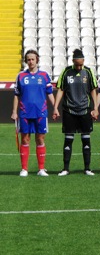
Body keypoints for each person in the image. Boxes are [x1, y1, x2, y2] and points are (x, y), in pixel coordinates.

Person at [52, 49, 99, 176]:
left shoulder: (88, 71)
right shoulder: (66, 72)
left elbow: (94, 89)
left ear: (83, 61)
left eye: (81, 64)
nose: (79, 67)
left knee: (86, 140)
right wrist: (55, 107)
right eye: (77, 64)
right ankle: (66, 168)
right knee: (68, 140)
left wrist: (95, 108)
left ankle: (87, 168)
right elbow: (60, 89)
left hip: (85, 110)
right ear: (73, 61)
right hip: (69, 110)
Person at [11, 49, 55, 177]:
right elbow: (16, 95)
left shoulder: (44, 75)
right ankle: (24, 169)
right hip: (25, 113)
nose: (30, 61)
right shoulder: (20, 76)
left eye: (33, 59)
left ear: (37, 60)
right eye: (28, 59)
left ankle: (41, 168)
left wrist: (55, 108)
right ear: (26, 61)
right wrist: (14, 112)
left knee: (40, 139)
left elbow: (50, 93)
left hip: (41, 113)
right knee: (25, 139)